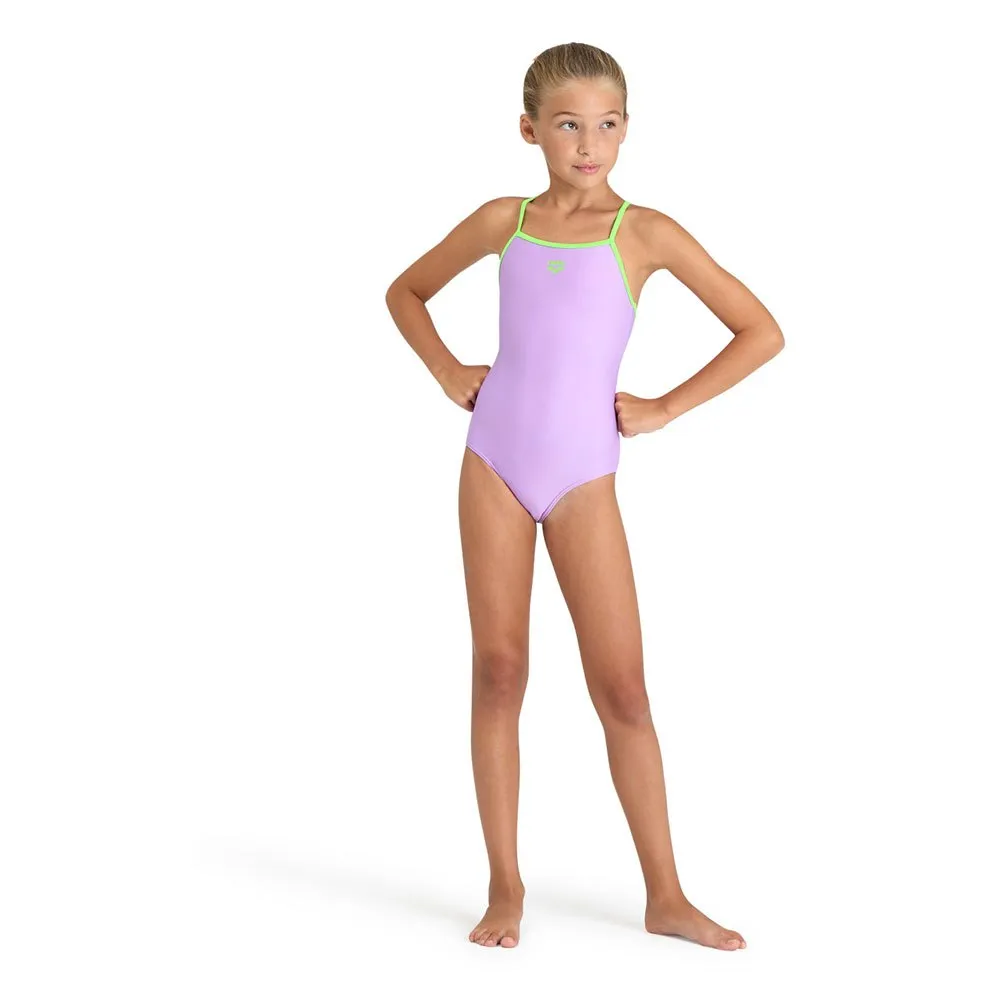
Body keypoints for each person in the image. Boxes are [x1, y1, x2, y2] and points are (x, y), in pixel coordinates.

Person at [385, 41, 783, 951]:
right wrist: (447, 369)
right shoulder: (505, 220)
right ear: (530, 130)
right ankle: (505, 886)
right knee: (499, 672)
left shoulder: (644, 233)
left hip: (583, 477)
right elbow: (406, 292)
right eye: (568, 125)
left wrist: (665, 407)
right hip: (492, 461)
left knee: (624, 691)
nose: (589, 143)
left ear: (627, 130)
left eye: (607, 124)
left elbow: (760, 330)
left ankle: (666, 895)